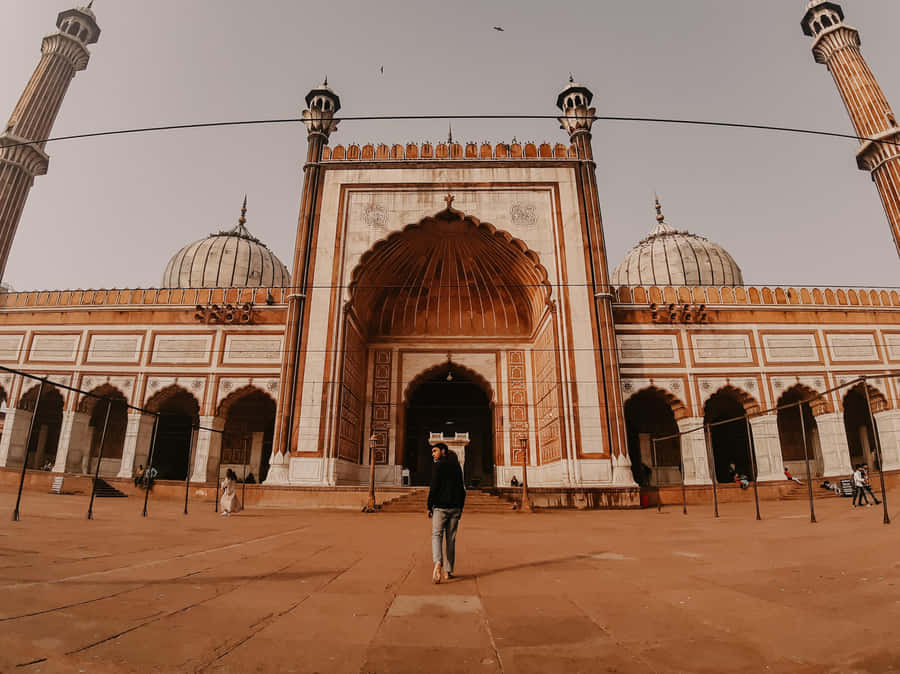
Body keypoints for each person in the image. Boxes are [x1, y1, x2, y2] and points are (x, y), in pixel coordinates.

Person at [427, 443, 465, 584]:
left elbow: (434, 487)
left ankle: (438, 562)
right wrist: (460, 506)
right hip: (455, 507)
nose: (433, 454)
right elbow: (462, 489)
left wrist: (429, 506)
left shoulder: (438, 466)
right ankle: (448, 571)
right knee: (451, 539)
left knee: (437, 535)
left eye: (435, 451)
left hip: (441, 507)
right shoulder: (457, 467)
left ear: (443, 451)